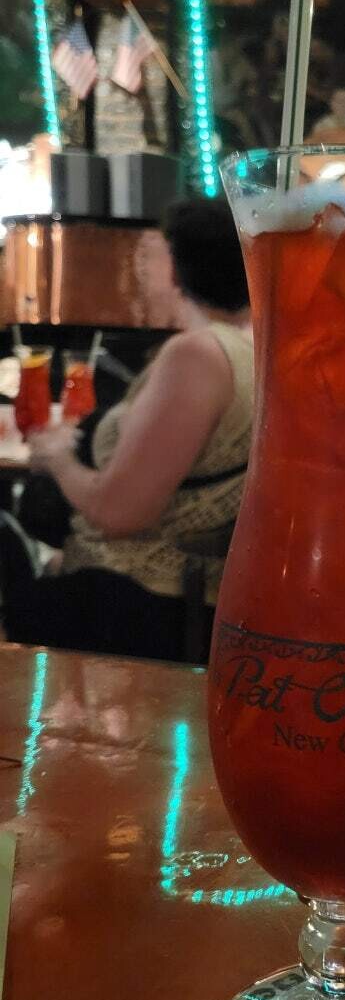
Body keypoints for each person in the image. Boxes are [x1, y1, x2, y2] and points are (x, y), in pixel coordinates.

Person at [3, 199, 254, 661]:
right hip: (181, 597)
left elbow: (119, 513)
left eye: (147, 255)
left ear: (176, 269)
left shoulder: (197, 356)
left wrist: (58, 459)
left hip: (144, 603)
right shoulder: (252, 346)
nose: (138, 267)